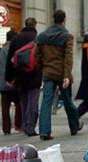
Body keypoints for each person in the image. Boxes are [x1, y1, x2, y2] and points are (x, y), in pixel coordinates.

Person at [36, 9, 83, 141]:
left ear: (53, 19)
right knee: (67, 100)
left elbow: (37, 55)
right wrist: (67, 75)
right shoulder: (67, 36)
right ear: (64, 20)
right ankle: (74, 127)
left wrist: (42, 69)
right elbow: (68, 57)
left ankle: (44, 131)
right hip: (62, 74)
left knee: (46, 102)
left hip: (48, 73)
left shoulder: (42, 36)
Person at [6, 17, 42, 137]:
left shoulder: (16, 38)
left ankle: (25, 125)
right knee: (33, 101)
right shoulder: (38, 38)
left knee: (24, 101)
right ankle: (30, 127)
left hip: (20, 75)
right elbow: (42, 57)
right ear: (35, 25)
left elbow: (9, 59)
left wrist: (9, 77)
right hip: (35, 74)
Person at [0, 29, 22, 135]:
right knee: (19, 104)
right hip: (15, 82)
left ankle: (6, 129)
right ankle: (18, 125)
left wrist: (0, 72)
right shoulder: (17, 50)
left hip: (3, 83)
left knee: (5, 107)